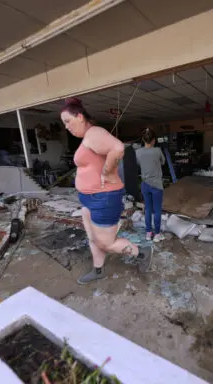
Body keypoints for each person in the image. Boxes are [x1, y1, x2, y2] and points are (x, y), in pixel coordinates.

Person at [61, 98, 152, 284]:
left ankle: (142, 252)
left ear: (79, 116)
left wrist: (107, 171)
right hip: (89, 198)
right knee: (93, 238)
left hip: (103, 198)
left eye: (68, 121)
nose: (66, 127)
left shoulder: (94, 133)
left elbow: (118, 148)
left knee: (106, 243)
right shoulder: (87, 138)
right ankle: (98, 270)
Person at [135, 128, 166, 242]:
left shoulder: (138, 152)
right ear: (154, 140)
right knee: (157, 210)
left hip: (145, 185)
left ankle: (148, 234)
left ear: (143, 139)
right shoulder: (157, 151)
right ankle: (157, 235)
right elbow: (163, 162)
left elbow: (138, 163)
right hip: (157, 185)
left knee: (148, 209)